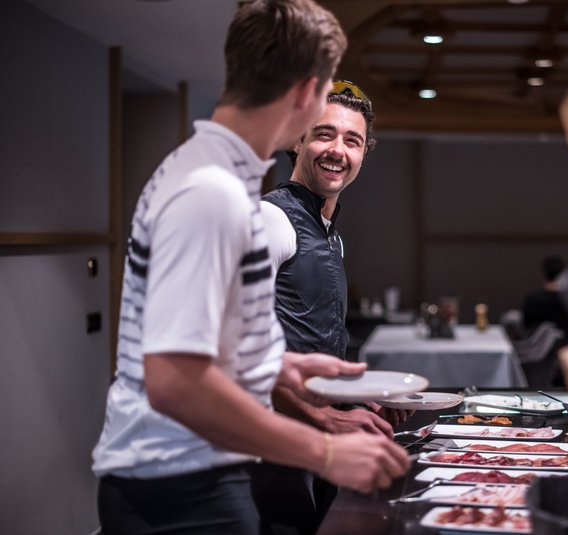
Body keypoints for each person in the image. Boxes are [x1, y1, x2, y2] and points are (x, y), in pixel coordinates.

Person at [91, 2, 408, 534]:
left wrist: (280, 370)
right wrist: (324, 448)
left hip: (198, 472)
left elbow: (194, 348)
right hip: (177, 487)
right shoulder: (213, 192)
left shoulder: (211, 176)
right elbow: (172, 382)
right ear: (307, 93)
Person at [256, 81, 408, 534]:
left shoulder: (330, 235)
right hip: (269, 447)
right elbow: (233, 351)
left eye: (352, 140)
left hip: (316, 442)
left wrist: (362, 398)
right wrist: (324, 416)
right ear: (297, 140)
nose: (337, 150)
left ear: (364, 154)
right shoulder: (269, 219)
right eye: (323, 134)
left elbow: (313, 341)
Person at [521, 255, 568, 345]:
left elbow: (526, 324)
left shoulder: (533, 299)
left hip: (537, 346)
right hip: (566, 345)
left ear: (544, 273)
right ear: (563, 273)